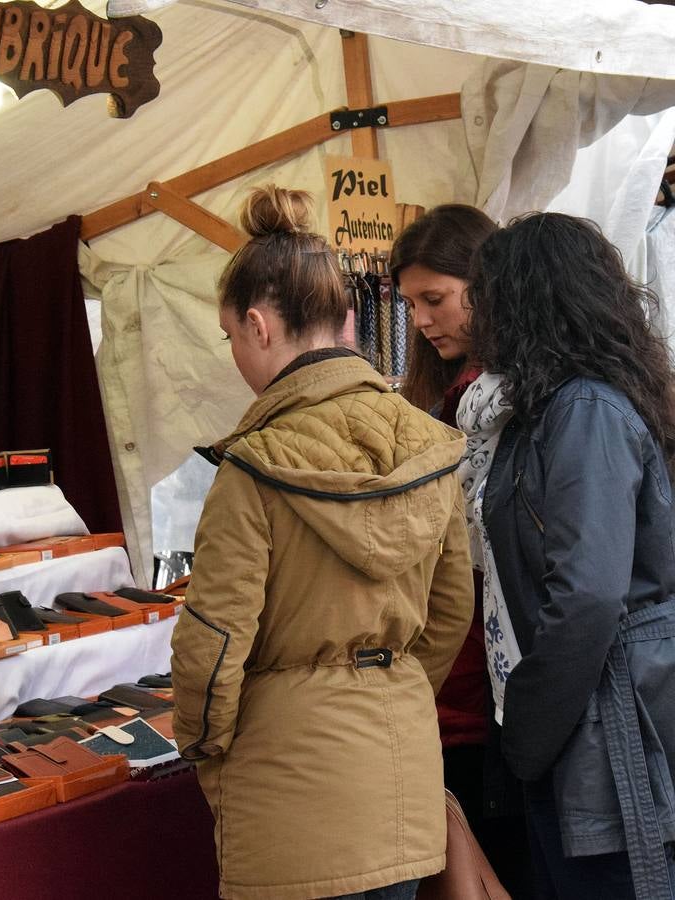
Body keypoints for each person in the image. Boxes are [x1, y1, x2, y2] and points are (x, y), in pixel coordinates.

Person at [171, 185, 475, 900]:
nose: (235, 355)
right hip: (399, 778)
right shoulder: (431, 445)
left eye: (231, 338)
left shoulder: (253, 466)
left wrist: (206, 752)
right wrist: (388, 688)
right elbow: (452, 608)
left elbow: (212, 647)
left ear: (257, 325)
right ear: (344, 321)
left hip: (286, 790)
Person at [468, 212, 675, 899]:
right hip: (582, 729)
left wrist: (528, 726)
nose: (477, 319)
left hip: (603, 737)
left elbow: (587, 595)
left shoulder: (585, 410)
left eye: (487, 299)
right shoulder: (552, 409)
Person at [391, 204, 533, 897]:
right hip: (454, 681)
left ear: (486, 286)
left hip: (491, 685)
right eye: (412, 303)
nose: (422, 319)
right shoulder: (441, 398)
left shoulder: (515, 400)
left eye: (435, 299)